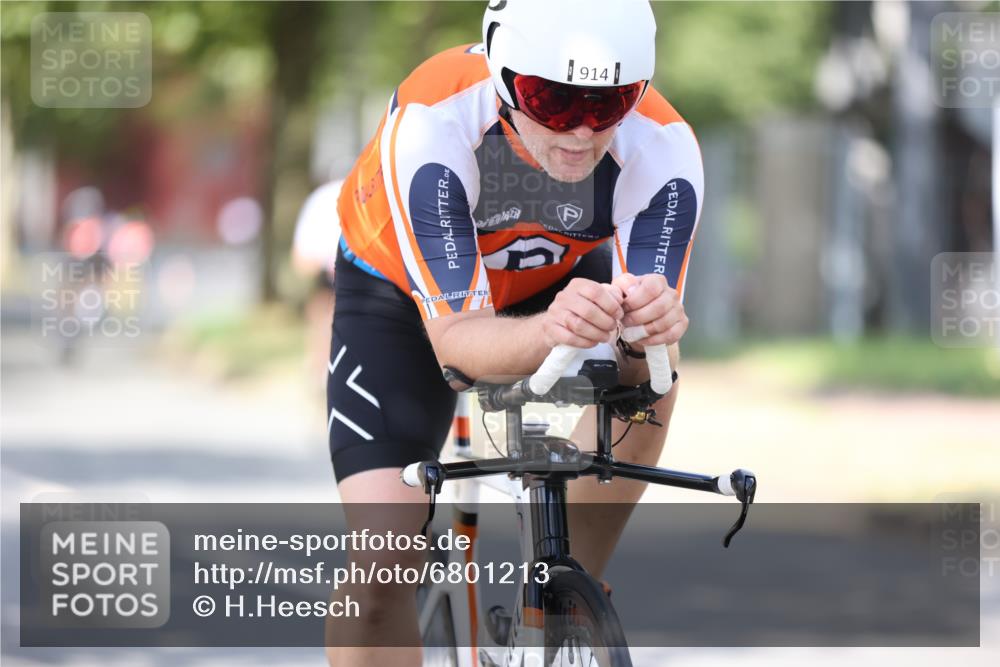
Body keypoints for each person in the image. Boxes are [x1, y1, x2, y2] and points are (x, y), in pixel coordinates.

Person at [326, 1, 703, 664]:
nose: (582, 132)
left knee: (658, 384)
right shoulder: (434, 126)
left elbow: (644, 370)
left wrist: (646, 339)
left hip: (554, 273)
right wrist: (548, 333)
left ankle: (564, 600)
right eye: (552, 101)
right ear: (504, 74)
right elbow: (459, 346)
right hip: (402, 292)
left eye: (610, 102)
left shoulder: (663, 147)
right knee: (384, 558)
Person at [291, 179, 344, 390]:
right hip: (330, 282)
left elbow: (301, 261)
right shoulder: (323, 199)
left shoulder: (320, 197)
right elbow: (302, 261)